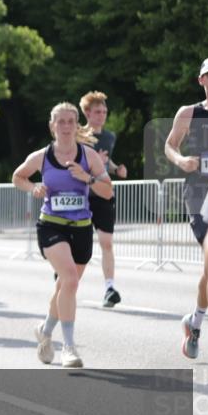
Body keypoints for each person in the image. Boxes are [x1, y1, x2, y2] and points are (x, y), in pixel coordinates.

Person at [13, 103, 112, 368]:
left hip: (81, 228)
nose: (66, 127)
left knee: (64, 287)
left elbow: (108, 191)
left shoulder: (88, 156)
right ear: (52, 126)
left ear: (77, 125)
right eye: (61, 122)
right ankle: (68, 347)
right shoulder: (42, 157)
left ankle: (45, 331)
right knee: (69, 278)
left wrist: (86, 178)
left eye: (71, 121)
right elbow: (17, 177)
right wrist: (33, 187)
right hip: (51, 226)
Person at [165, 56, 208, 359]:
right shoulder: (189, 113)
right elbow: (170, 144)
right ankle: (195, 322)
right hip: (199, 198)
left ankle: (194, 322)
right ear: (202, 80)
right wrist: (181, 160)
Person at [79, 91, 128, 308]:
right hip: (82, 196)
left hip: (104, 194)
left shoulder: (109, 137)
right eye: (98, 112)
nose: (102, 115)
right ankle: (64, 277)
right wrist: (92, 163)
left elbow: (106, 161)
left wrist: (117, 168)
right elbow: (70, 162)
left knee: (106, 243)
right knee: (79, 244)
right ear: (87, 113)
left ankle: (109, 288)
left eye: (105, 111)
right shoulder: (78, 136)